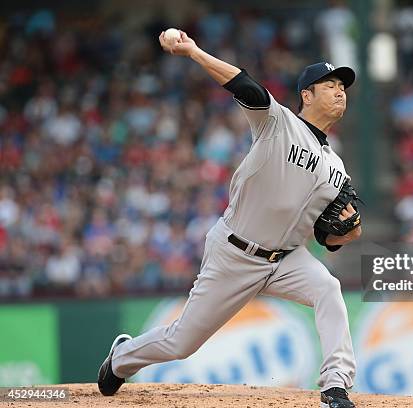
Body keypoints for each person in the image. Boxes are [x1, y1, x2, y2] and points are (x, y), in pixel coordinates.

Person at [97, 29, 362, 408]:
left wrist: (349, 233)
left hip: (287, 259)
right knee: (181, 342)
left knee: (328, 289)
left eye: (343, 87)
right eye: (330, 84)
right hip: (236, 253)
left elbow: (331, 238)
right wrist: (193, 52)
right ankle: (121, 358)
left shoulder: (337, 167)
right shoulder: (279, 123)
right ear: (307, 95)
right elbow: (245, 85)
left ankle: (335, 387)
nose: (340, 92)